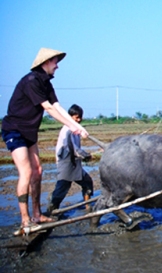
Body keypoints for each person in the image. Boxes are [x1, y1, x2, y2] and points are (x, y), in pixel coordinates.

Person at [1, 48, 89, 235]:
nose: (57, 66)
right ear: (45, 62)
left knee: (38, 171)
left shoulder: (46, 84)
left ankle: (37, 214)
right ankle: (26, 221)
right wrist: (72, 126)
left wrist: (78, 126)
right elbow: (48, 108)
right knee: (26, 172)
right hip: (14, 129)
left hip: (29, 131)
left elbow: (57, 106)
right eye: (55, 62)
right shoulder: (32, 81)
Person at [47, 104, 93, 214]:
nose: (79, 120)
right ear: (69, 117)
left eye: (80, 117)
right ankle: (52, 210)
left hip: (74, 163)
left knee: (87, 182)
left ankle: (87, 207)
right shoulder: (67, 130)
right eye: (76, 117)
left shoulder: (76, 130)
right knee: (62, 189)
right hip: (65, 163)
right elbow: (73, 149)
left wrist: (84, 155)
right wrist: (85, 155)